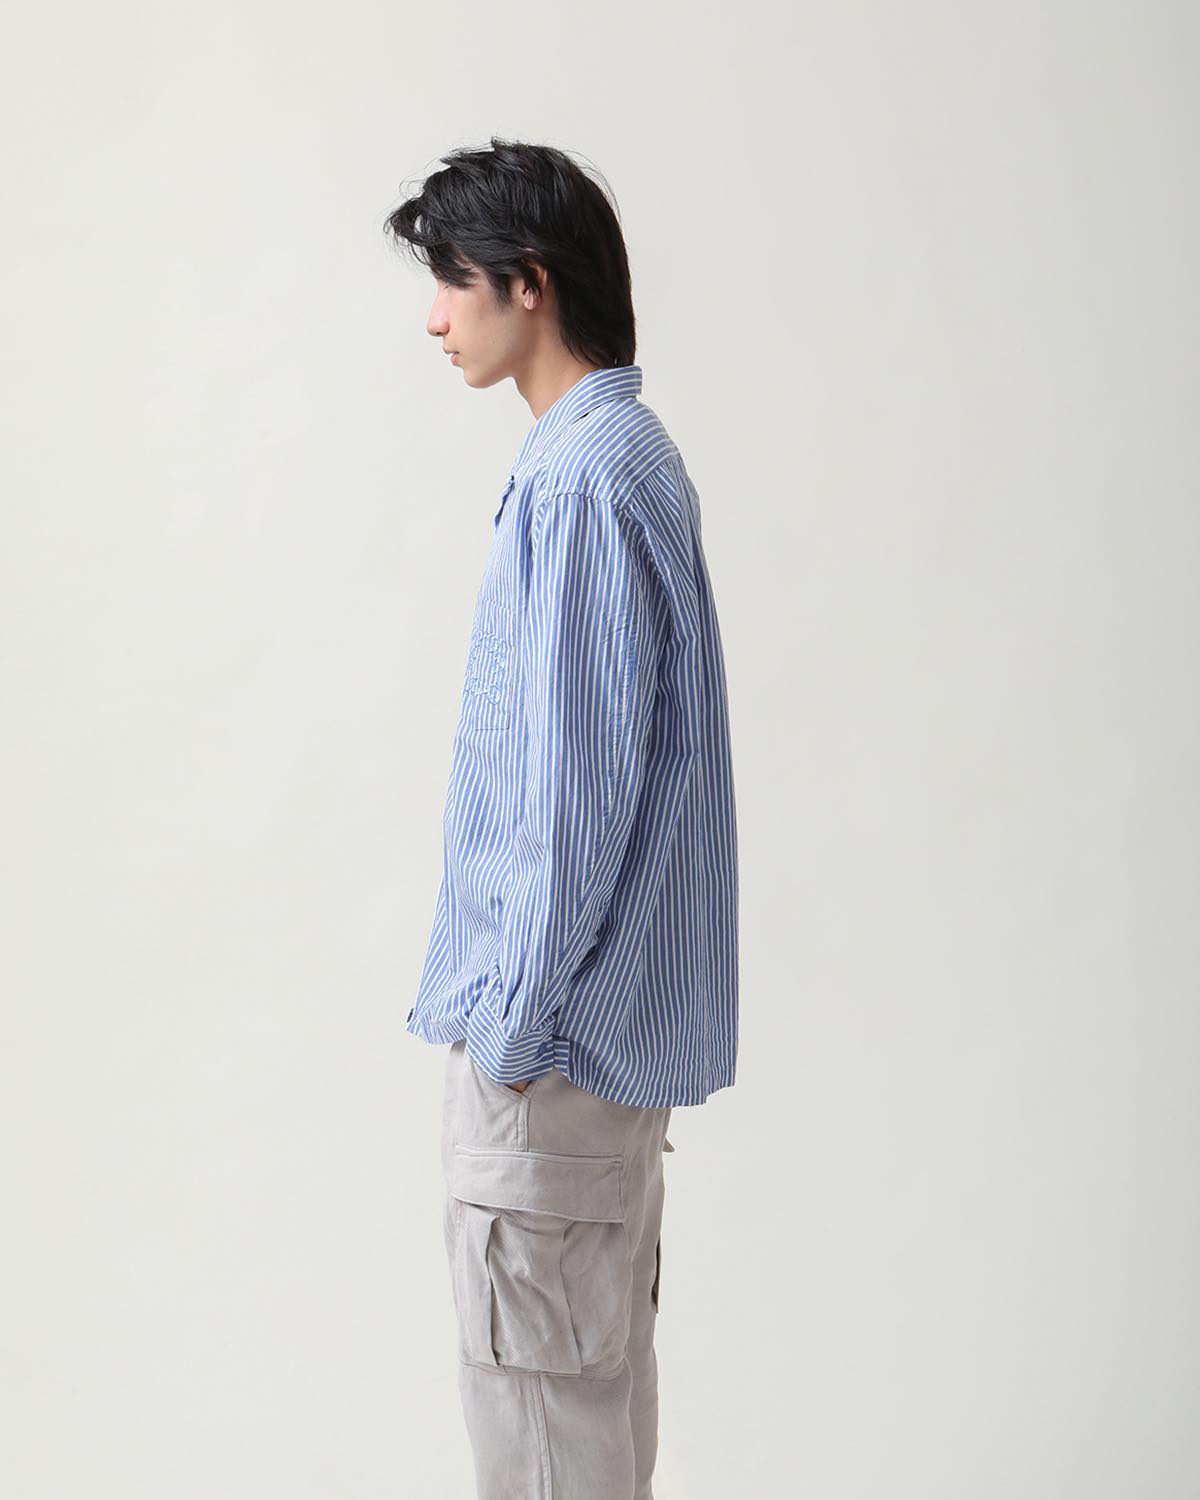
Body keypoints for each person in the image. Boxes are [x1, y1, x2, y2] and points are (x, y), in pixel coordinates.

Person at [382, 135, 739, 1500]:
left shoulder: (582, 475)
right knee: (586, 1436)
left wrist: (513, 1033)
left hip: (553, 1059)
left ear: (530, 284)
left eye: (454, 279)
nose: (435, 316)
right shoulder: (622, 455)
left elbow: (572, 798)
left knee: (543, 1445)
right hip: (599, 1060)